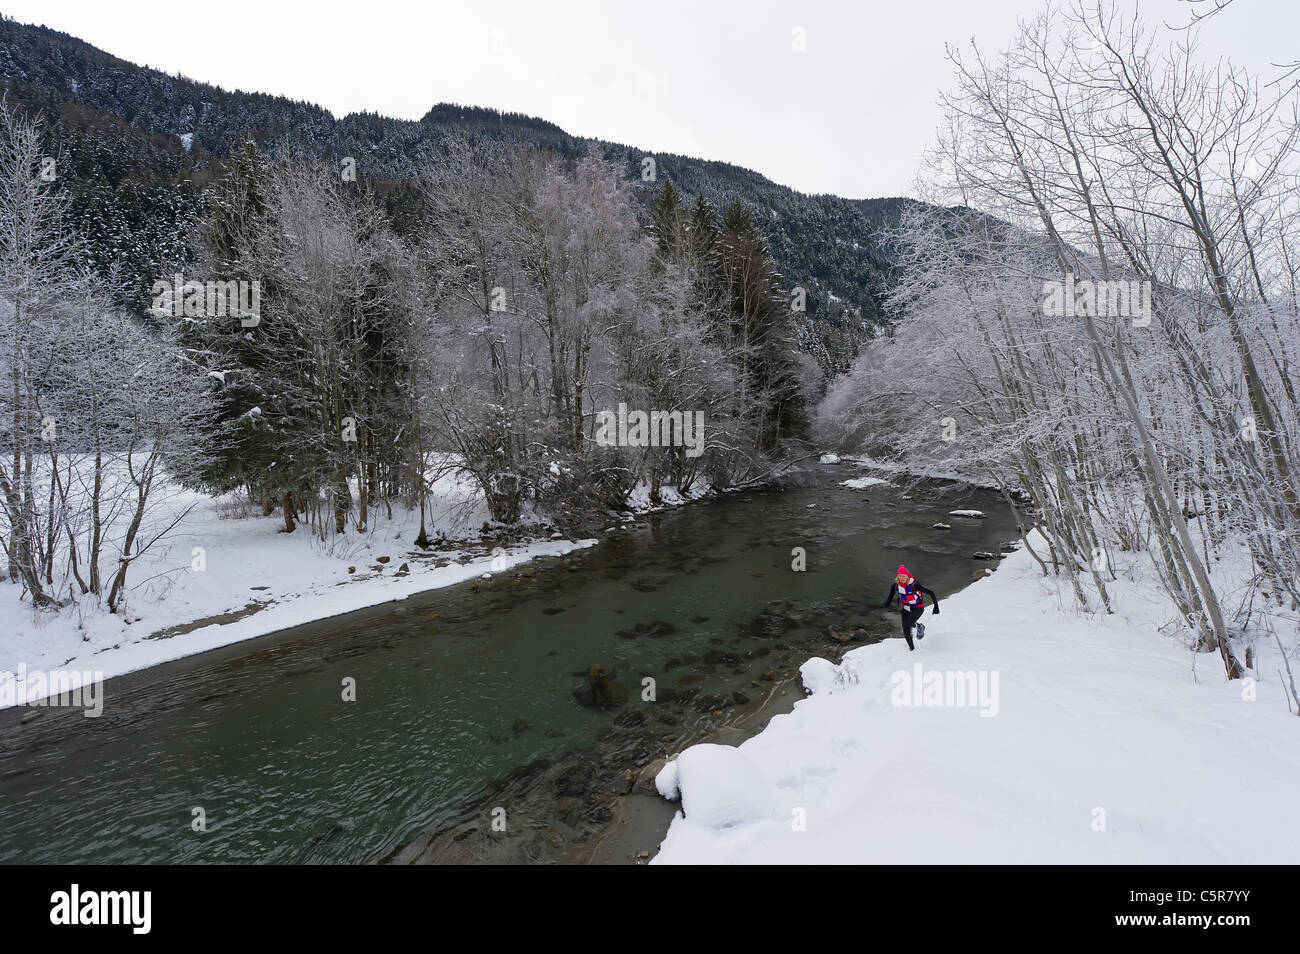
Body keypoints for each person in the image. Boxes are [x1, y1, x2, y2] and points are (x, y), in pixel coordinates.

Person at [881, 564, 939, 651]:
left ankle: (919, 627)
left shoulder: (914, 585)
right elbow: (890, 597)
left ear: (907, 576)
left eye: (903, 576)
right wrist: (886, 604)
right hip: (906, 609)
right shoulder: (896, 586)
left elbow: (931, 593)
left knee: (910, 622)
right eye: (900, 576)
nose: (902, 578)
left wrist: (936, 606)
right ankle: (912, 649)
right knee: (906, 631)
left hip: (918, 607)